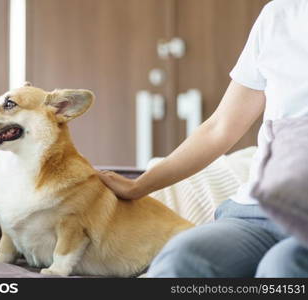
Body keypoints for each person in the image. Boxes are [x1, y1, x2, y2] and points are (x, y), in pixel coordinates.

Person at [98, 0, 308, 277]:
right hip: (257, 212)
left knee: (283, 266)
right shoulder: (280, 15)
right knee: (183, 257)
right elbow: (220, 127)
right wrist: (139, 187)